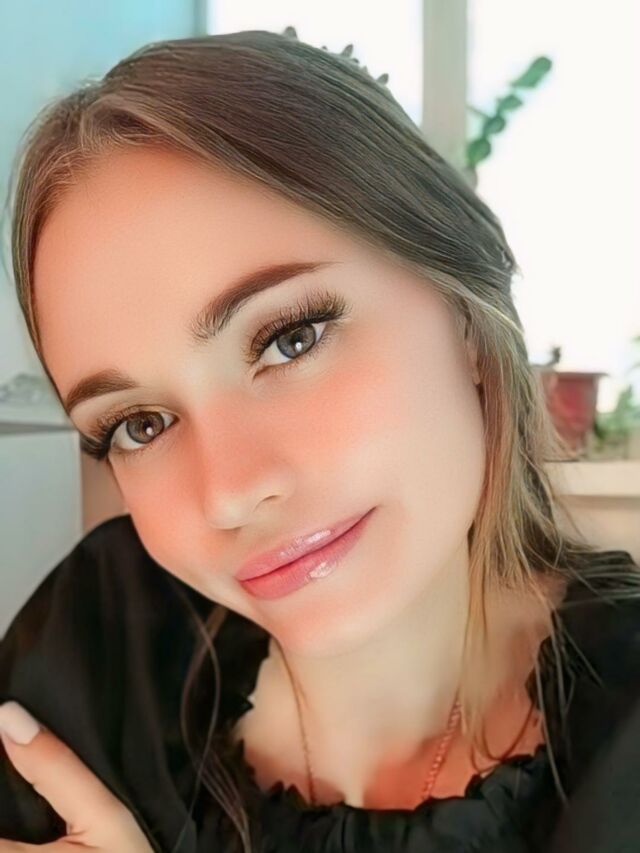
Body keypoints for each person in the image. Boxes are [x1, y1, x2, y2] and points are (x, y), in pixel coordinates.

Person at [1, 28, 639, 853]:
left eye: (290, 338)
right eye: (139, 424)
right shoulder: (103, 646)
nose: (231, 490)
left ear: (465, 316)